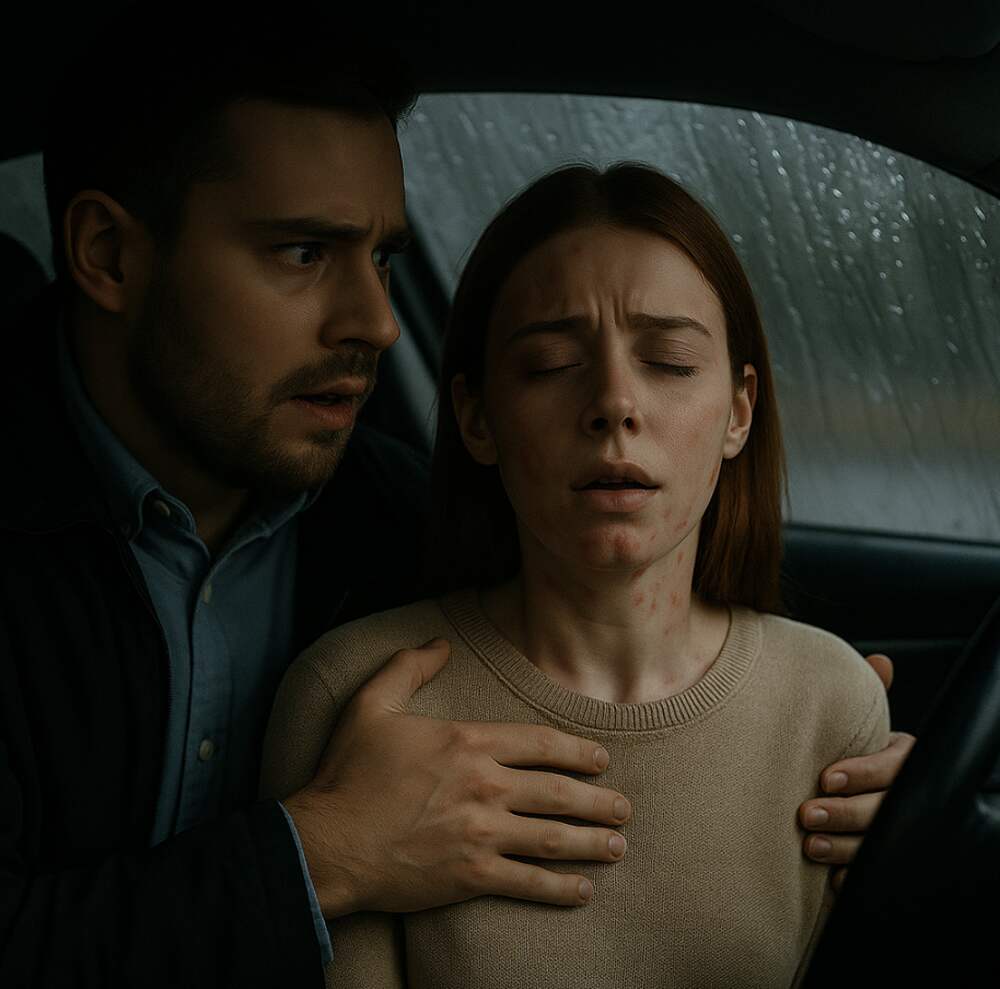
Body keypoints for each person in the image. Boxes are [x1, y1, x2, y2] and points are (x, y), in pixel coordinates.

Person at [0, 15, 911, 989]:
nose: (378, 322)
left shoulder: (395, 517)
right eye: (303, 251)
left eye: (382, 258)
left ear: (739, 406)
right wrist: (319, 853)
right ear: (108, 253)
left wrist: (884, 798)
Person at [260, 162, 896, 988]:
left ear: (739, 411)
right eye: (552, 363)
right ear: (477, 415)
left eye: (670, 360)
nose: (614, 403)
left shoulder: (832, 705)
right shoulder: (353, 694)